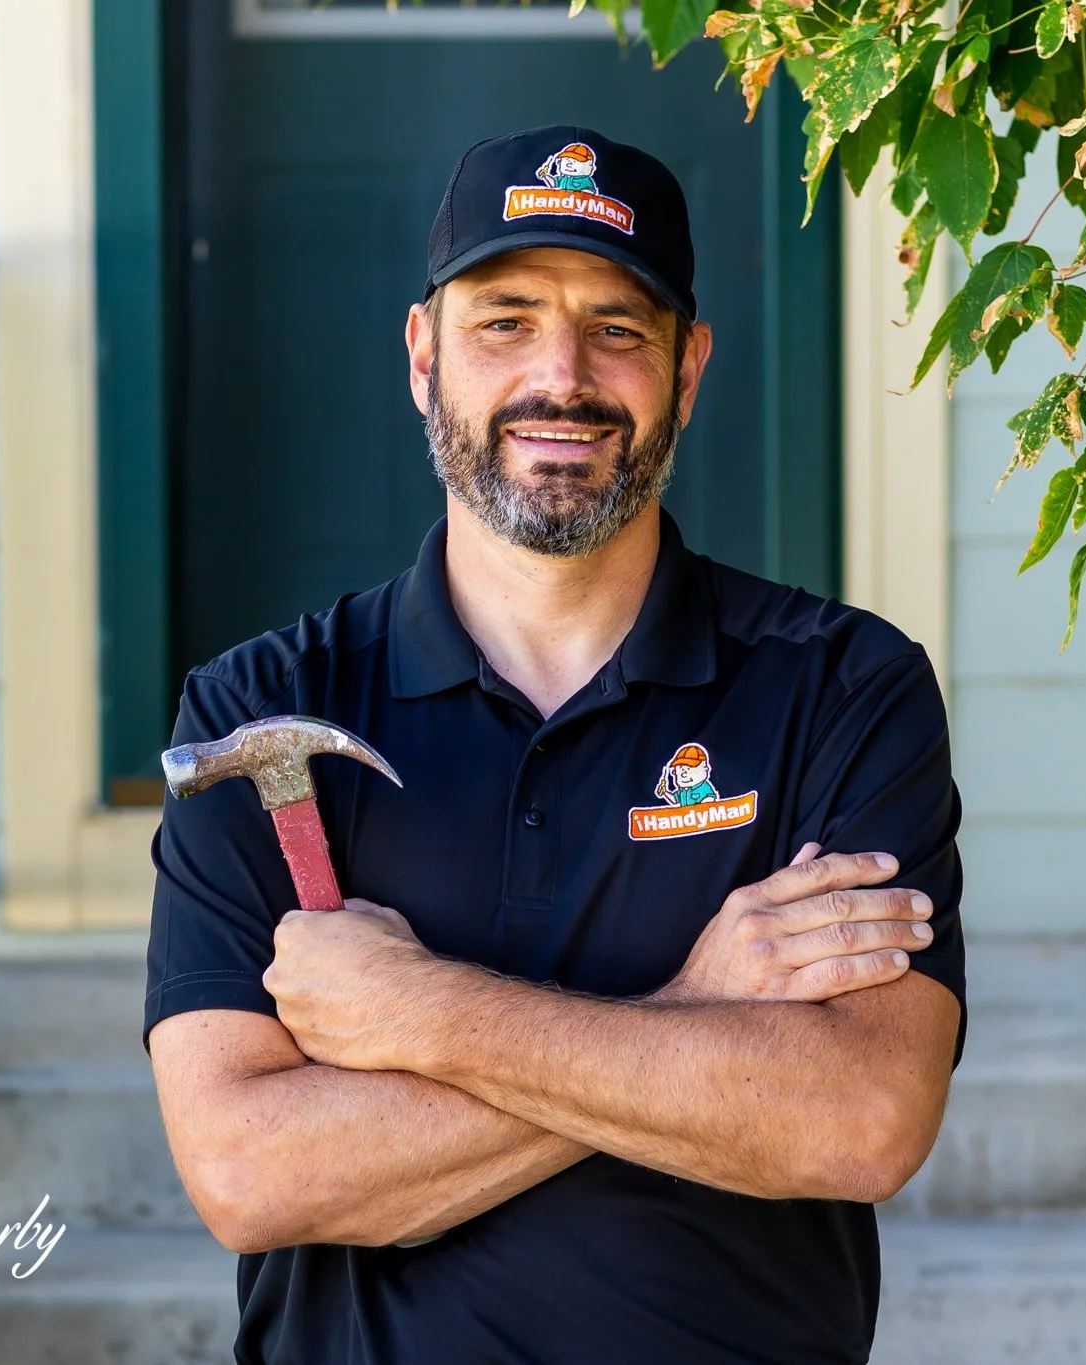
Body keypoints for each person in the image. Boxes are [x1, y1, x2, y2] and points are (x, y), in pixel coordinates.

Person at [145, 125, 965, 1365]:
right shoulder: (263, 708)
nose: (561, 376)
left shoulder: (841, 690)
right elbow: (252, 1174)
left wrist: (422, 1013)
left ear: (687, 369)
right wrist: (698, 1006)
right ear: (423, 357)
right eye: (504, 320)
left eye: (618, 329)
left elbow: (857, 1118)